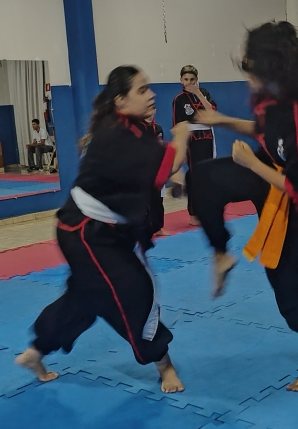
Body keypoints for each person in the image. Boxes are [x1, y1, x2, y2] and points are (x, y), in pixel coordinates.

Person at [16, 66, 192, 393]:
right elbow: (169, 161)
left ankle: (36, 351)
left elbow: (152, 173)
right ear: (121, 100)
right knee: (135, 291)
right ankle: (163, 363)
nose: (152, 94)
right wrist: (182, 134)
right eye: (142, 90)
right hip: (87, 233)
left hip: (94, 230)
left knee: (86, 297)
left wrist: (175, 177)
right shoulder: (117, 134)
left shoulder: (132, 127)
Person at [191, 22, 298, 392]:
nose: (248, 76)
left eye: (252, 69)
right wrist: (222, 120)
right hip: (270, 170)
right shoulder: (273, 98)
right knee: (202, 179)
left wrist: (251, 165)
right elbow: (264, 131)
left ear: (273, 69)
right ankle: (221, 254)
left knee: (287, 277)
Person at [173, 65, 218, 225]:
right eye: (186, 79)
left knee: (208, 175)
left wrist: (198, 93)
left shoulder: (204, 93)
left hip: (207, 137)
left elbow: (212, 112)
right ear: (181, 80)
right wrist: (181, 148)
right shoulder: (179, 99)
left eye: (192, 79)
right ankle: (193, 213)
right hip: (191, 140)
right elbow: (178, 125)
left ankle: (206, 210)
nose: (189, 82)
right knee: (195, 176)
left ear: (197, 80)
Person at [144, 115, 167, 236]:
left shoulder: (157, 129)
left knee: (157, 200)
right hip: (141, 168)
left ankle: (157, 228)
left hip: (156, 167)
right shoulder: (137, 129)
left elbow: (161, 146)